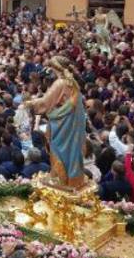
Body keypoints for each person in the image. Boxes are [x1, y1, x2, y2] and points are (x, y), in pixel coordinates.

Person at [22, 56, 87, 188]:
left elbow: (45, 102)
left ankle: (61, 178)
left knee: (59, 148)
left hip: (62, 122)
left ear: (55, 68)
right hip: (70, 121)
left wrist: (29, 103)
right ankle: (70, 176)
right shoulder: (72, 81)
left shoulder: (60, 83)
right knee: (70, 149)